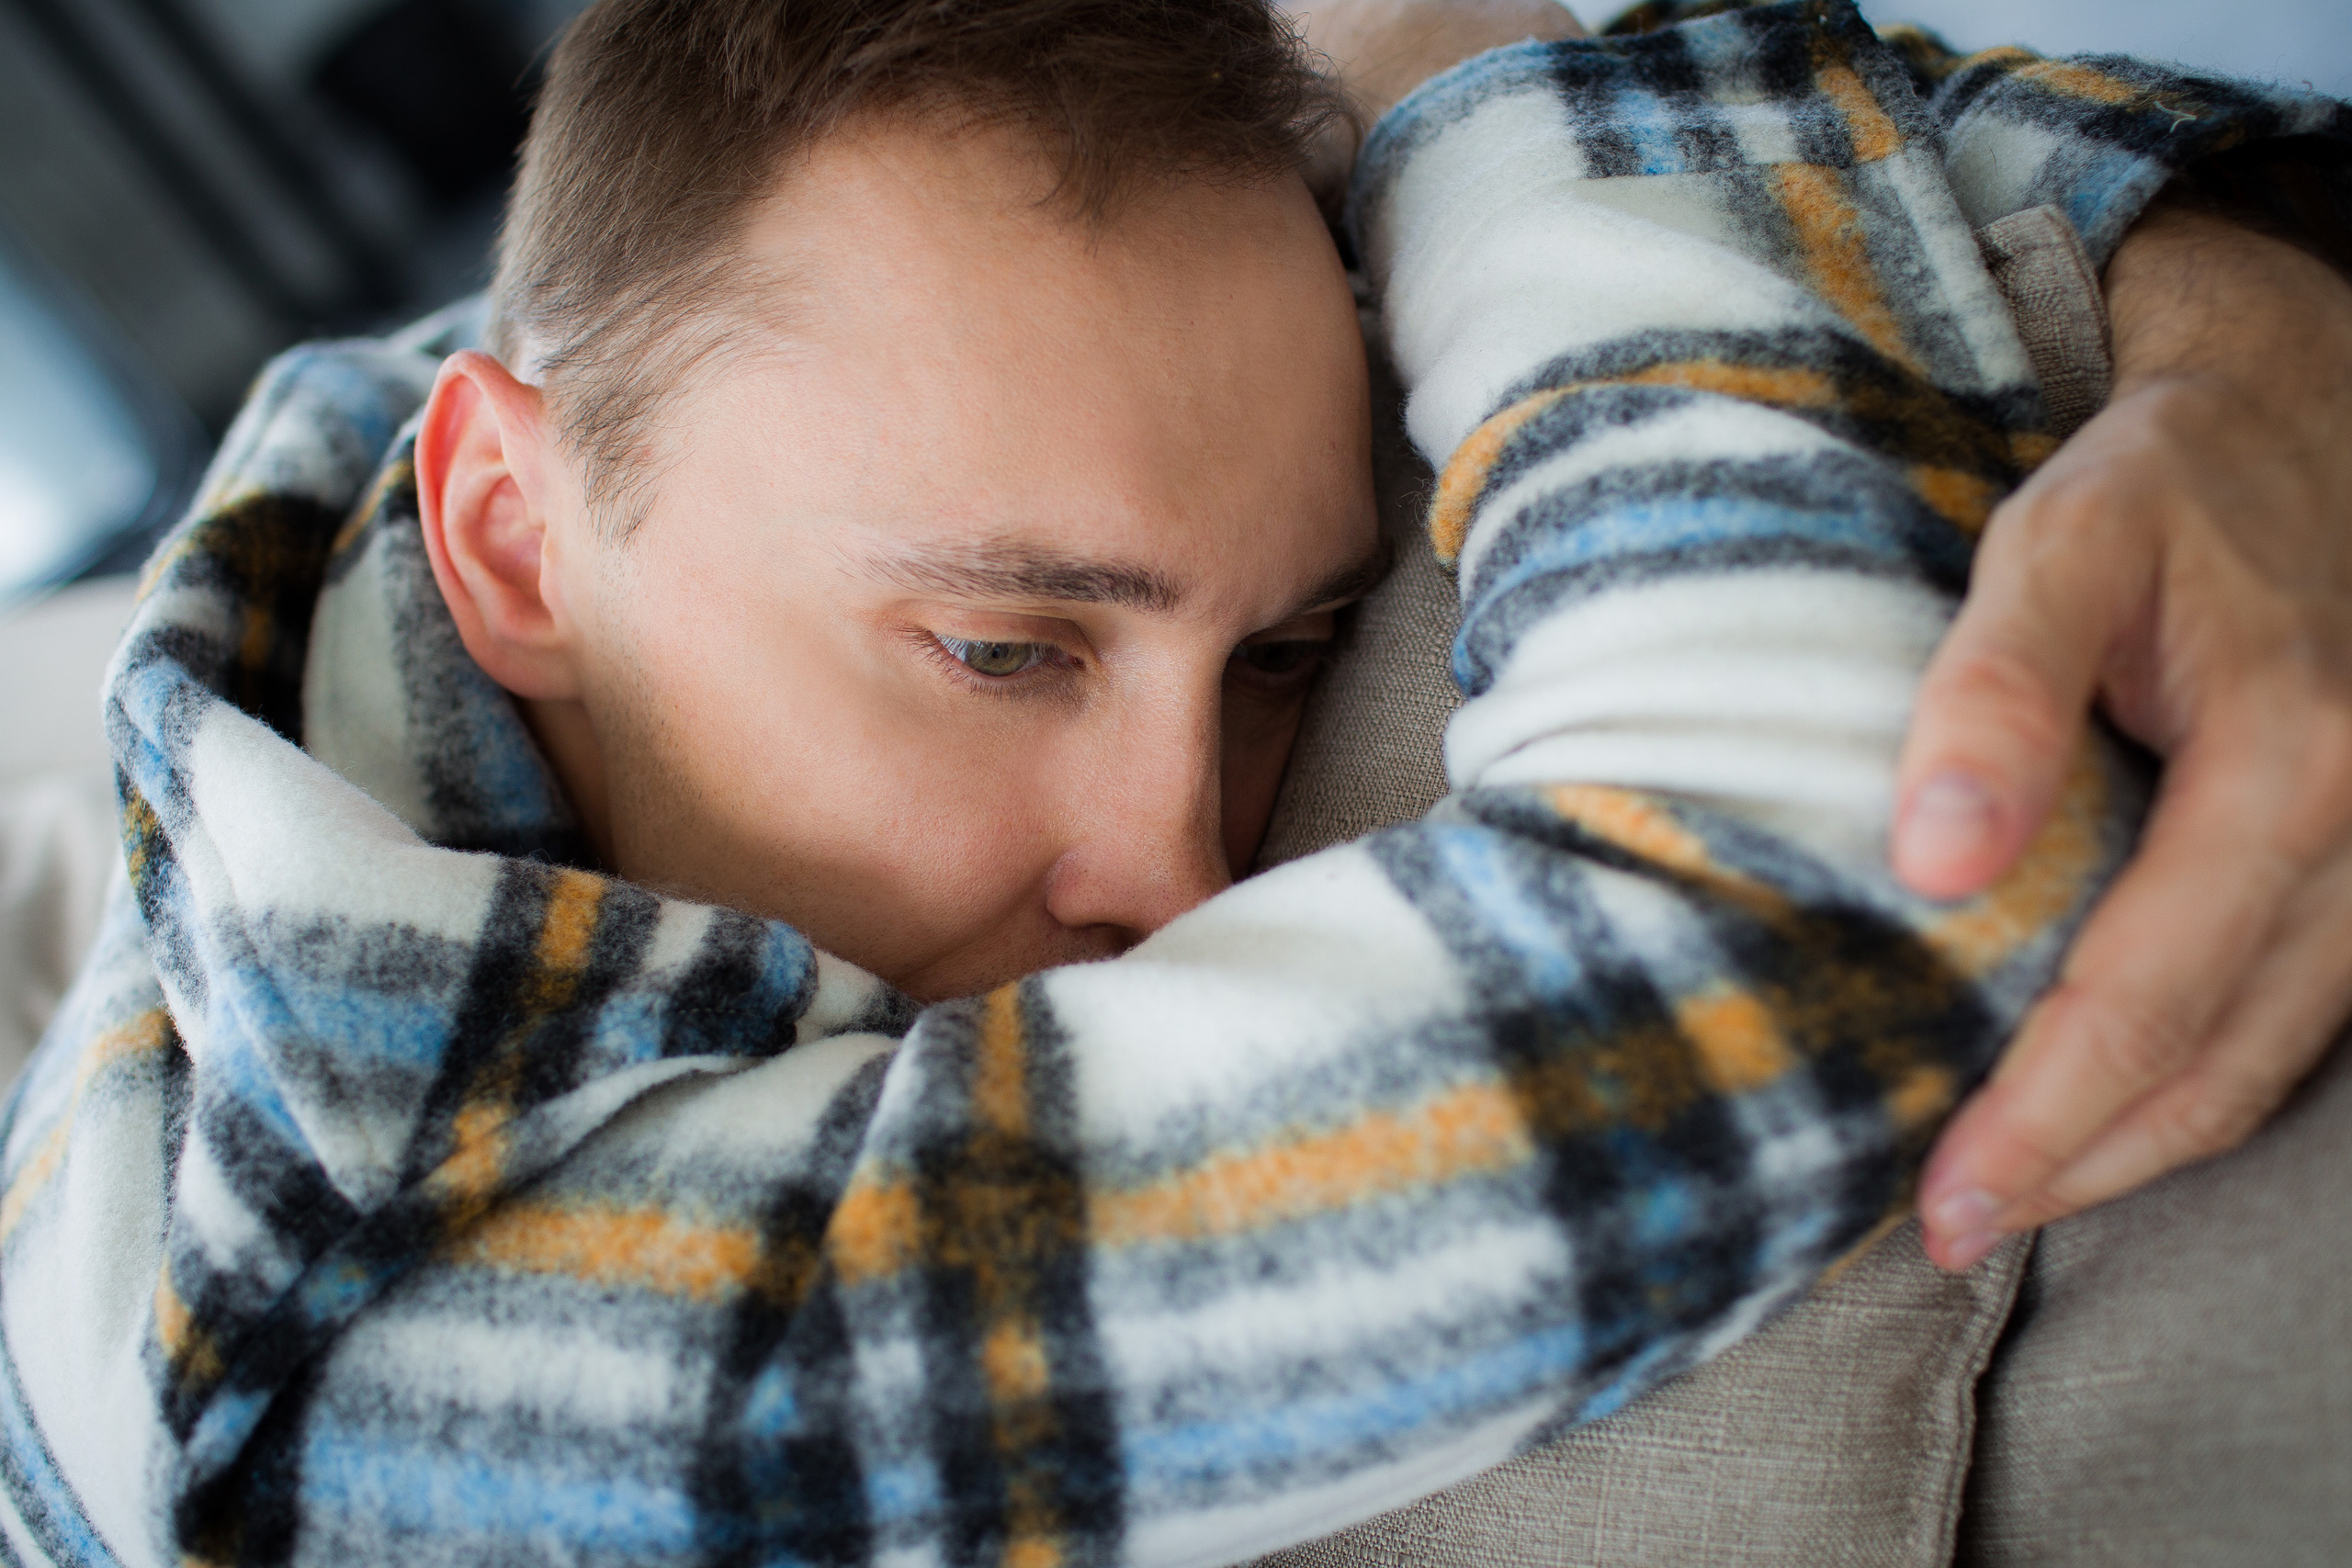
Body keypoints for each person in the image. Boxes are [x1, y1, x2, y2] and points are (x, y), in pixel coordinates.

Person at [0, 5, 2342, 1568]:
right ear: (512, 533)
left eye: (1279, 658)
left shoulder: (488, 465)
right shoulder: (324, 1353)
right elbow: (1831, 919)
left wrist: (2245, 311)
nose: (1181, 862)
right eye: (1006, 645)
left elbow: (1903, 162)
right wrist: (1492, 92)